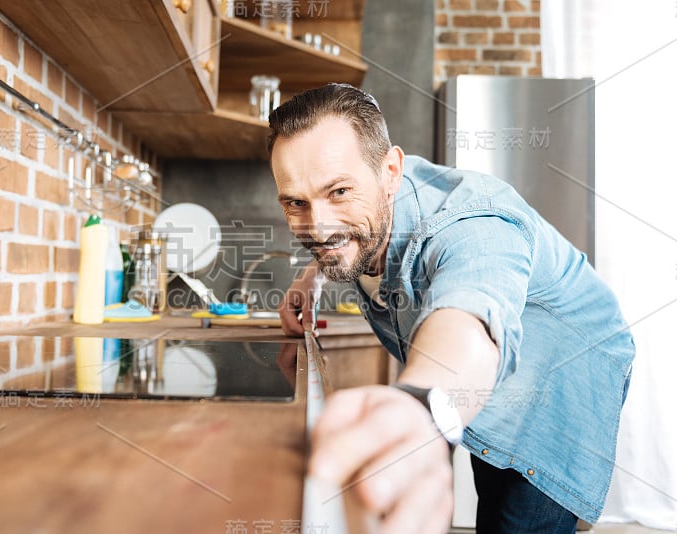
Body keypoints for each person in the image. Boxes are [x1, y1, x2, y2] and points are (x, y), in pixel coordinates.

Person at [268, 83, 635, 534]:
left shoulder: (473, 224)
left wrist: (419, 410)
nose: (317, 224)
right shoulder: (370, 192)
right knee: (491, 482)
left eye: (339, 191)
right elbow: (332, 230)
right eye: (295, 203)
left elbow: (470, 311)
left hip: (568, 367)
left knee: (517, 519)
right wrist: (312, 276)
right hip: (487, 387)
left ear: (390, 172)